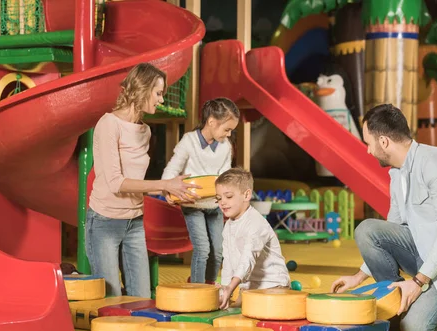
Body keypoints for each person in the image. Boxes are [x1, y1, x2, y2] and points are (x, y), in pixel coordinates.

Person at [331, 104, 437, 331]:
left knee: (415, 330)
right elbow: (392, 230)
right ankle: (397, 305)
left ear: (385, 142)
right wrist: (358, 277)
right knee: (367, 230)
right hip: (425, 254)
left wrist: (418, 282)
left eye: (369, 143)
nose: (368, 151)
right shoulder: (397, 173)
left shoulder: (435, 164)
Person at [86, 63, 200, 298]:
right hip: (105, 222)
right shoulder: (108, 125)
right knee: (112, 300)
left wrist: (172, 192)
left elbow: (136, 180)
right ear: (142, 88)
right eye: (158, 93)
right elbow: (116, 183)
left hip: (134, 222)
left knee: (141, 300)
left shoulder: (145, 131)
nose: (161, 100)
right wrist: (164, 185)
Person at [162, 98, 240, 284]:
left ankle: (210, 286)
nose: (228, 135)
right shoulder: (189, 141)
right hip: (192, 204)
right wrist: (167, 190)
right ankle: (196, 289)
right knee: (203, 248)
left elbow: (225, 176)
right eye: (226, 129)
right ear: (212, 122)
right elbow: (172, 169)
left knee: (218, 250)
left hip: (213, 206)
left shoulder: (225, 147)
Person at [214, 168, 291, 309]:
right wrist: (225, 289)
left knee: (258, 316)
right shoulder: (228, 226)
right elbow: (228, 262)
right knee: (229, 313)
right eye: (219, 198)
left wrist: (231, 287)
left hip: (273, 285)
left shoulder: (255, 223)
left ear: (247, 195)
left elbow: (247, 259)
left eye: (229, 196)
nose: (222, 203)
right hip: (248, 288)